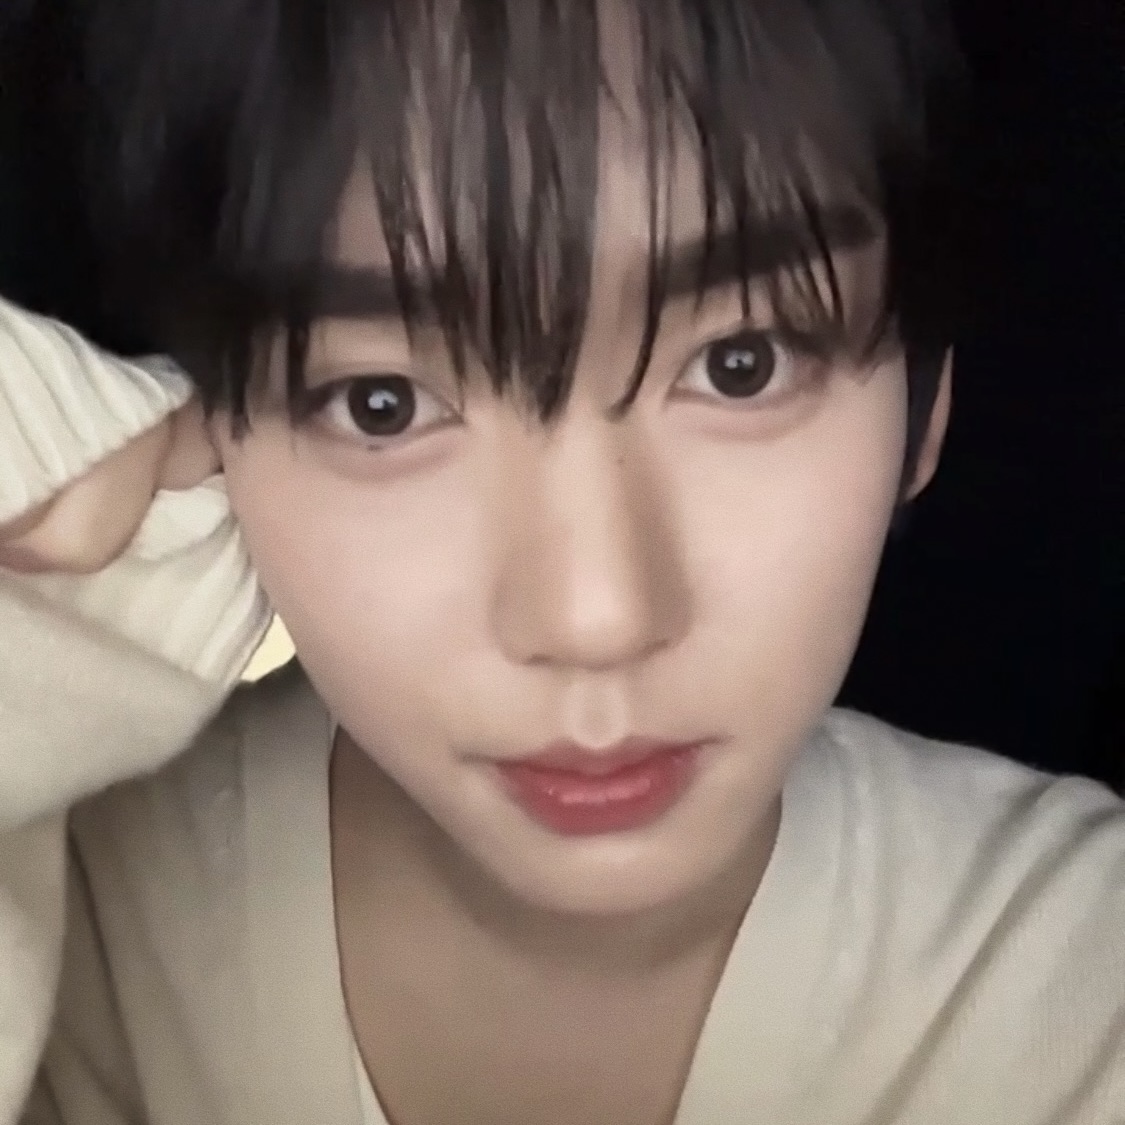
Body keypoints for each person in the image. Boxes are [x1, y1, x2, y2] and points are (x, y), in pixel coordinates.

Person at [1, 0, 1123, 1122]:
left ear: (923, 410)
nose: (595, 617)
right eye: (382, 403)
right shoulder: (75, 923)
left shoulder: (1076, 972)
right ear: (210, 439)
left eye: (740, 364)